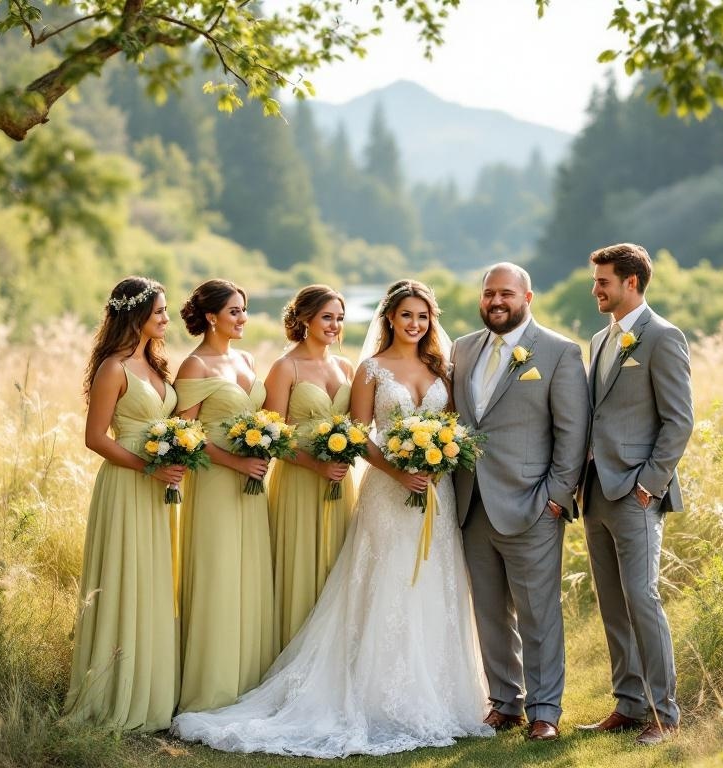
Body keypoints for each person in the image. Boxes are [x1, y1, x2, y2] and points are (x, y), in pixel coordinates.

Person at [171, 279, 491, 757]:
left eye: (423, 316)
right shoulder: (368, 369)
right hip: (388, 489)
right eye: (407, 315)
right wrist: (399, 472)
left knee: (432, 584)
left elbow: (452, 426)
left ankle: (438, 694)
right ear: (389, 318)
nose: (416, 324)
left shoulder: (441, 368)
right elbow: (360, 433)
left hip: (435, 494)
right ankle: (376, 694)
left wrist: (439, 459)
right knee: (384, 584)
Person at [451, 262, 589, 741]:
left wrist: (556, 496)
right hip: (471, 504)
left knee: (538, 612)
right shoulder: (462, 349)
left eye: (506, 293)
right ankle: (505, 703)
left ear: (527, 297)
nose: (495, 302)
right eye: (489, 293)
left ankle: (546, 710)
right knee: (489, 612)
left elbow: (573, 432)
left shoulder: (558, 352)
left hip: (533, 506)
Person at [577, 243, 693, 746]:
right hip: (596, 491)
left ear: (631, 283)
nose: (596, 289)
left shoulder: (663, 337)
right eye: (596, 280)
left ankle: (664, 713)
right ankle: (628, 704)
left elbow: (679, 421)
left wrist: (649, 485)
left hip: (636, 493)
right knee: (612, 602)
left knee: (642, 598)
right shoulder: (601, 340)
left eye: (603, 281)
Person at [65, 276, 183, 731]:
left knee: (153, 581)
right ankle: (114, 691)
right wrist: (147, 467)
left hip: (160, 487)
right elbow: (95, 438)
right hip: (127, 482)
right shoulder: (113, 368)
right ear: (136, 315)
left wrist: (177, 452)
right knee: (123, 579)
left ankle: (152, 692)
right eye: (159, 312)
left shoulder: (156, 365)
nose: (166, 319)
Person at [171, 279, 274, 713]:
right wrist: (236, 463)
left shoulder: (247, 358)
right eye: (234, 311)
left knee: (250, 576)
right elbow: (185, 434)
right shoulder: (195, 366)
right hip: (215, 483)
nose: (242, 318)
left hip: (251, 487)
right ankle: (211, 688)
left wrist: (265, 445)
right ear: (210, 316)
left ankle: (248, 681)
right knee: (218, 575)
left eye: (244, 310)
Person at [263, 285, 355, 653]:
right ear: (305, 319)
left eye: (339, 318)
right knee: (300, 570)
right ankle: (294, 654)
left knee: (337, 566)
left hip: (340, 482)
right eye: (327, 317)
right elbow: (273, 435)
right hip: (300, 479)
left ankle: (331, 657)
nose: (334, 325)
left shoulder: (346, 366)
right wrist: (315, 465)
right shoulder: (285, 367)